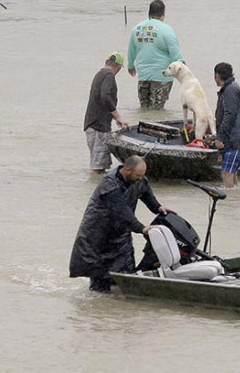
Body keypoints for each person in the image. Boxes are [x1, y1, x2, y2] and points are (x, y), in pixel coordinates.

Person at [69, 156, 171, 293]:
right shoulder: (109, 184)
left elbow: (147, 195)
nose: (140, 178)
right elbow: (122, 211)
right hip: (98, 237)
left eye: (142, 175)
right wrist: (142, 228)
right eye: (138, 175)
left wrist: (158, 208)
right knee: (100, 281)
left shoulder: (140, 180)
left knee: (126, 274)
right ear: (127, 170)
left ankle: (120, 308)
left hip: (121, 235)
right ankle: (97, 309)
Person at [127, 0, 185, 110]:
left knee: (144, 109)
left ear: (149, 13)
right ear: (163, 14)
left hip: (143, 76)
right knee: (157, 110)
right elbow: (176, 56)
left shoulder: (137, 29)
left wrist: (130, 66)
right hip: (162, 77)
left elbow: (131, 50)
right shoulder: (167, 30)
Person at [83, 52, 129, 173]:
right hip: (99, 128)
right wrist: (118, 117)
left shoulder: (99, 74)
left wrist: (114, 118)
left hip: (90, 124)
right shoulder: (109, 76)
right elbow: (105, 97)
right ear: (118, 66)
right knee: (98, 168)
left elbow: (100, 100)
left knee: (95, 164)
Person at [213, 62, 240, 189]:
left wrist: (220, 137)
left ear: (218, 75)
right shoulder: (232, 87)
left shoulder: (230, 90)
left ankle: (228, 201)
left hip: (236, 139)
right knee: (232, 172)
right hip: (235, 137)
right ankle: (235, 201)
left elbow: (230, 115)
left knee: (226, 173)